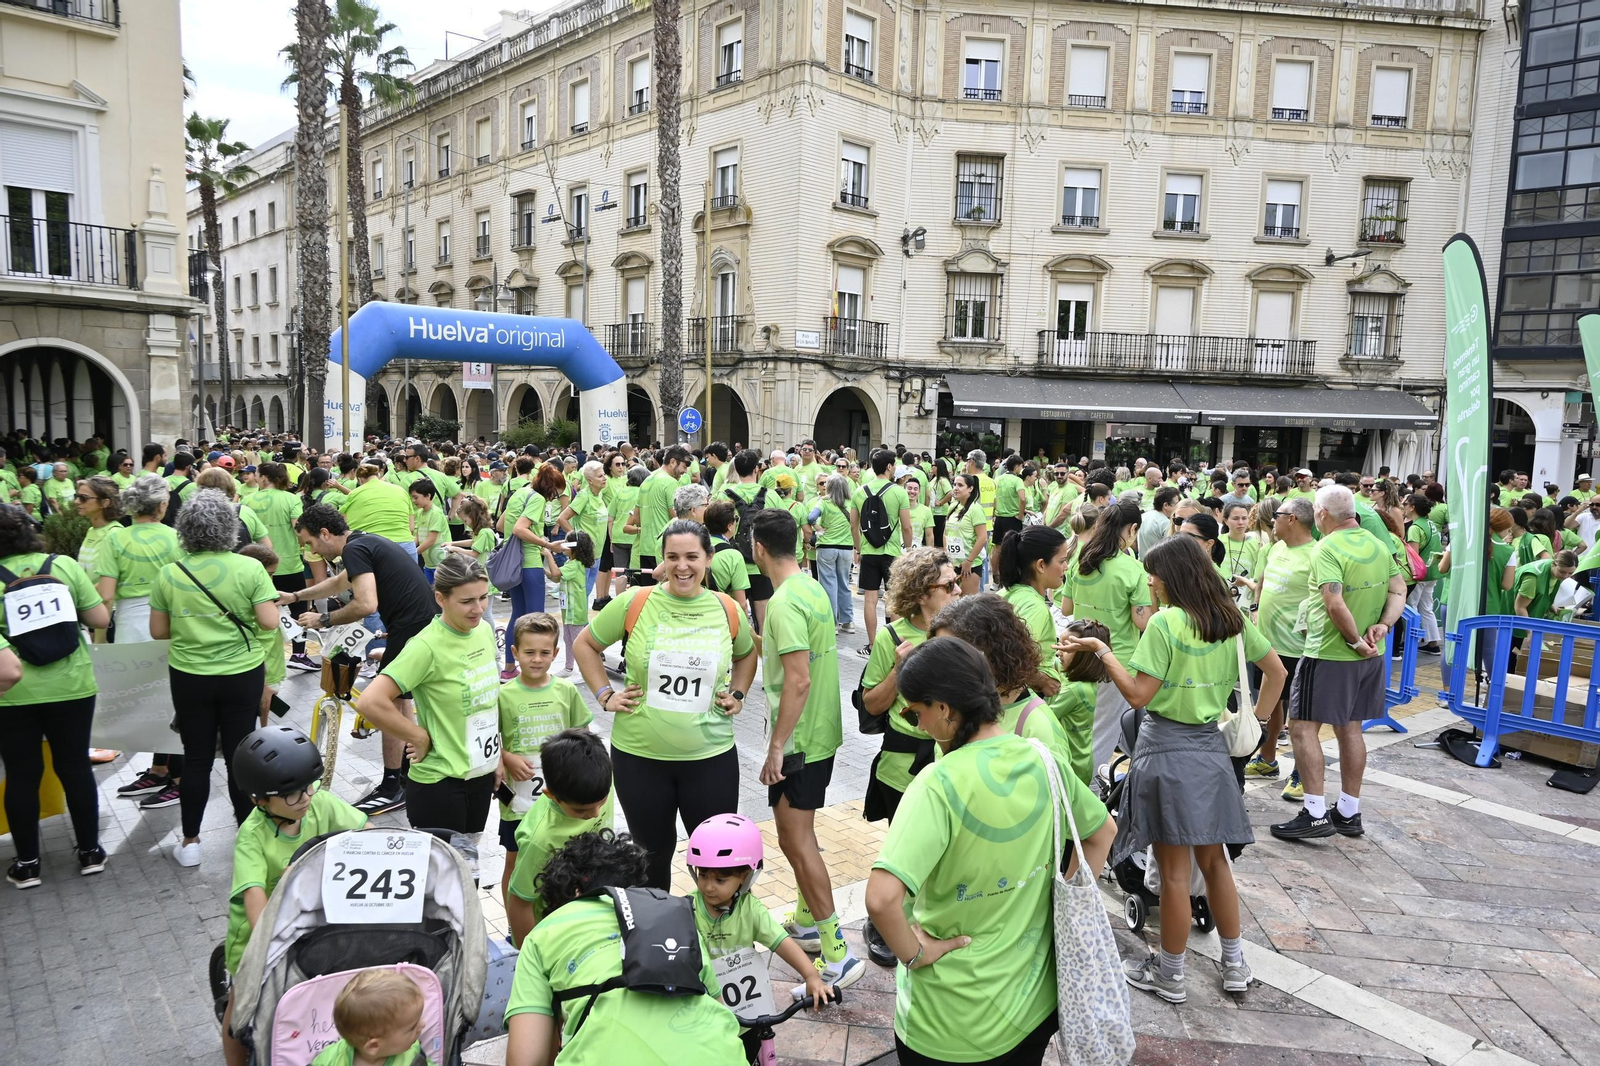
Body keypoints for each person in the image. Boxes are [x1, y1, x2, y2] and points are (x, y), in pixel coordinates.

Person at [866, 636, 1113, 1066]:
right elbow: (1102, 832)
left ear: (944, 709)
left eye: (915, 712)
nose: (919, 725)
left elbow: (882, 898)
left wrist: (915, 953)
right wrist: (1060, 901)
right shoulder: (1044, 760)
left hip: (950, 1022)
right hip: (1033, 1004)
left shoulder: (937, 784)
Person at [1059, 535, 1284, 1002]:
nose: (1149, 580)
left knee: (1175, 873)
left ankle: (1170, 973)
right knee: (1216, 862)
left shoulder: (1165, 624)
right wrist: (1258, 723)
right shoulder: (1232, 619)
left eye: (1153, 573)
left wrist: (1102, 653)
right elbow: (1277, 672)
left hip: (1164, 746)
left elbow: (1139, 696)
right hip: (1211, 750)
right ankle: (1235, 964)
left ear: (1171, 576)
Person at [571, 520, 757, 890]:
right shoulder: (635, 601)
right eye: (673, 557)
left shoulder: (726, 609)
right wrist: (605, 695)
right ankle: (658, 938)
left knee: (718, 858)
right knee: (650, 857)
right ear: (663, 560)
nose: (682, 566)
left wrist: (738, 695)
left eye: (692, 557)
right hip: (640, 758)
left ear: (709, 558)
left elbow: (748, 654)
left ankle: (715, 937)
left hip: (710, 758)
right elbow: (584, 644)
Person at [503, 830, 746, 1066]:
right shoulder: (674, 916)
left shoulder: (543, 934)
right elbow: (716, 1007)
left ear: (574, 892)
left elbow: (526, 1059)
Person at [748, 508, 862, 990]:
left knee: (796, 840)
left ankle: (838, 952)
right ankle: (807, 921)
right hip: (820, 734)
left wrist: (775, 748)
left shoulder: (785, 602)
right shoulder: (811, 587)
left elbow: (798, 679)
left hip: (799, 742)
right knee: (802, 834)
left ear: (757, 549)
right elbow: (787, 657)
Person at [148, 490, 281, 867]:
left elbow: (158, 631)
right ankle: (248, 838)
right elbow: (269, 622)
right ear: (229, 529)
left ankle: (190, 842)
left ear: (184, 530)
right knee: (241, 757)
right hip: (243, 673)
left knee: (196, 759)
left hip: (190, 675)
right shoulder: (249, 568)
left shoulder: (170, 573)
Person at [222, 725, 366, 1066]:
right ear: (258, 799)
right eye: (290, 794)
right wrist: (267, 938)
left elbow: (368, 836)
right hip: (259, 939)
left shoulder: (321, 804)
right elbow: (256, 907)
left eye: (308, 787)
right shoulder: (252, 837)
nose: (304, 798)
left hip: (316, 925)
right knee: (240, 1009)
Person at [1271, 485, 1405, 841]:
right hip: (1369, 655)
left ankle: (1315, 811)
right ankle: (1348, 811)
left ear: (1322, 514)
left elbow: (1334, 603)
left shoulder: (1326, 548)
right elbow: (1398, 589)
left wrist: (1354, 641)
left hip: (1329, 653)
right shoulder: (1379, 543)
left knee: (1301, 727)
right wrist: (1383, 626)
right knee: (1351, 728)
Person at [290, 503, 441, 815]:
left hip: (411, 627)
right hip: (420, 625)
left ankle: (392, 786)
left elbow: (366, 603)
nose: (312, 551)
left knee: (384, 703)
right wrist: (295, 597)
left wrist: (323, 620)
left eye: (310, 543)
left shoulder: (355, 550)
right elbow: (340, 583)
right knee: (401, 702)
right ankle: (404, 777)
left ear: (325, 533)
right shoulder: (363, 541)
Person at [855, 546, 957, 963]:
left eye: (957, 581)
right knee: (902, 851)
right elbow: (871, 704)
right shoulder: (891, 636)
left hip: (951, 764)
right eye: (948, 585)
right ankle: (884, 921)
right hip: (903, 767)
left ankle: (926, 919)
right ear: (921, 593)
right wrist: (900, 670)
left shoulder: (959, 632)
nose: (958, 589)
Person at [0, 505, 110, 889]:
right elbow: (99, 619)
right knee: (75, 766)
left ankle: (28, 864)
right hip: (73, 686)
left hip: (13, 695)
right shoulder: (61, 565)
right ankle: (90, 853)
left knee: (21, 775)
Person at [356, 553, 500, 835]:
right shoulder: (426, 645)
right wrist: (417, 735)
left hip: (479, 775)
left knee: (469, 872)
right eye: (467, 601)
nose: (479, 609)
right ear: (440, 599)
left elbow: (488, 703)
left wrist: (498, 756)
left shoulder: (482, 630)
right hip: (441, 783)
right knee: (442, 877)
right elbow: (370, 701)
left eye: (483, 597)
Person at [686, 813, 834, 1061]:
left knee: (751, 1050)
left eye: (720, 879)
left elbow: (781, 941)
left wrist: (811, 975)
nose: (709, 887)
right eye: (703, 875)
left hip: (747, 1011)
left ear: (744, 876)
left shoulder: (750, 910)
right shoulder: (687, 908)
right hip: (705, 1009)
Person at [496, 613, 593, 907]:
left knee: (567, 859)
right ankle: (516, 923)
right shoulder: (503, 695)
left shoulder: (566, 690)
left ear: (555, 653)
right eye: (529, 652)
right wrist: (506, 757)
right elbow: (489, 740)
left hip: (560, 799)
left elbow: (583, 737)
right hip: (518, 803)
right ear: (514, 653)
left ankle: (560, 915)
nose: (536, 659)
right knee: (515, 861)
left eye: (544, 653)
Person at [1060, 500, 1153, 776]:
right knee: (1102, 733)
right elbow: (1142, 621)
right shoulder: (1132, 569)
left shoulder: (1081, 560)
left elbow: (1066, 608)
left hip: (1076, 655)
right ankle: (1090, 792)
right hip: (1115, 661)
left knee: (1078, 728)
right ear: (1132, 529)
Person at [928, 593, 1075, 762]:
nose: (941, 666)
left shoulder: (1037, 728)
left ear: (993, 652)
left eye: (954, 655)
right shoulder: (957, 704)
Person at [996, 526, 1091, 778]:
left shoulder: (1008, 594)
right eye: (1062, 561)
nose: (1066, 568)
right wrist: (1044, 681)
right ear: (1040, 565)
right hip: (1019, 706)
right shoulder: (1035, 608)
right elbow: (1010, 660)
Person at [506, 728, 615, 946]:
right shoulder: (540, 838)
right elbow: (520, 901)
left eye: (601, 804)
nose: (594, 814)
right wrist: (529, 957)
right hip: (555, 927)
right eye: (580, 812)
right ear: (551, 796)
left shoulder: (597, 788)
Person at [1246, 496, 1316, 791]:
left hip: (1297, 649)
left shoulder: (1316, 554)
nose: (1272, 519)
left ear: (1293, 519)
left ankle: (1302, 773)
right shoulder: (1276, 548)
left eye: (1278, 514)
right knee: (1271, 704)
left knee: (1301, 716)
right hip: (1267, 645)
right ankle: (1268, 758)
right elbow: (1262, 581)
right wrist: (1256, 608)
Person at [247, 461, 314, 671]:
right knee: (299, 608)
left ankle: (260, 655)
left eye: (257, 475)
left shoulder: (247, 500)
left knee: (259, 611)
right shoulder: (291, 498)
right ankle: (299, 653)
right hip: (290, 563)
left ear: (265, 478)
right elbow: (298, 529)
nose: (255, 479)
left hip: (257, 567)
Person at [501, 464, 566, 675]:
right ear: (550, 487)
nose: (555, 498)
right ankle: (535, 669)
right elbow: (521, 529)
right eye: (556, 493)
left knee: (518, 615)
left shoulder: (520, 493)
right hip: (530, 563)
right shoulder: (537, 499)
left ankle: (509, 668)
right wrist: (546, 544)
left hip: (514, 565)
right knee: (537, 620)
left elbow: (502, 525)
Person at [851, 449, 915, 655]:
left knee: (870, 600)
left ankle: (871, 644)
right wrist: (907, 549)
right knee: (893, 598)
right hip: (892, 552)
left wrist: (858, 548)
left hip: (869, 552)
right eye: (894, 464)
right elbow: (906, 526)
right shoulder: (898, 492)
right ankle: (896, 645)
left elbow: (854, 525)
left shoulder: (860, 491)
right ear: (888, 467)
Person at [308, 969, 427, 1066]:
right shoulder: (330, 1060)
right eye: (412, 1028)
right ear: (374, 1046)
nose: (423, 1024)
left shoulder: (414, 1058)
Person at [541, 531, 595, 676]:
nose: (562, 546)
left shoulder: (576, 565)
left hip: (575, 611)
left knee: (577, 643)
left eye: (566, 543)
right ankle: (569, 668)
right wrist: (545, 572)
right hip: (568, 611)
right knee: (568, 639)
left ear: (574, 548)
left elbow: (557, 573)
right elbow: (557, 578)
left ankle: (583, 672)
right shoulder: (570, 563)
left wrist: (548, 555)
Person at [557, 460, 611, 601]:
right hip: (584, 555)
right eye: (600, 476)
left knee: (585, 594)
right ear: (590, 480)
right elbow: (562, 519)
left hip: (596, 554)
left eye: (604, 474)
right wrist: (578, 541)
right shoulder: (583, 496)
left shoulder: (599, 495)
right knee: (580, 596)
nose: (604, 478)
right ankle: (577, 623)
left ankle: (582, 622)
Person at [810, 474, 855, 632]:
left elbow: (811, 517)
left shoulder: (824, 501)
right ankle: (848, 621)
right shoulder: (851, 502)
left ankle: (832, 623)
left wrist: (819, 529)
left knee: (828, 584)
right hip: (846, 548)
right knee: (844, 584)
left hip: (827, 547)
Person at [945, 472, 989, 596]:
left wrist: (969, 561)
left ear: (970, 488)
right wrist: (946, 557)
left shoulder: (975, 509)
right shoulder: (952, 506)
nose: (955, 488)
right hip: (952, 563)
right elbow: (946, 533)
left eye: (960, 485)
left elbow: (982, 538)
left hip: (969, 565)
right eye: (954, 484)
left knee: (966, 606)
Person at [1514, 549, 1580, 620]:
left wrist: (1551, 606)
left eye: (1570, 573)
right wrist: (1529, 630)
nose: (1565, 576)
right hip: (1511, 615)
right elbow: (1520, 607)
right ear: (1554, 564)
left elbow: (1542, 593)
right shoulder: (1533, 578)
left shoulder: (1555, 573)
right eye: (1562, 571)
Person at [412, 480, 448, 583]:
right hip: (429, 563)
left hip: (441, 563)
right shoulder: (420, 513)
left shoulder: (435, 513)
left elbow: (431, 540)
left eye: (416, 497)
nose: (413, 500)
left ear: (428, 496)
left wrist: (413, 553)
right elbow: (418, 537)